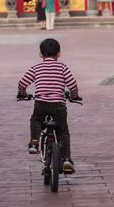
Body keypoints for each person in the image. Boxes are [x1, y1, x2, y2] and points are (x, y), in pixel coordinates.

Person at [17, 38, 80, 174]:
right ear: (59, 54)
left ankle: (34, 142)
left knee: (36, 120)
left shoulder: (36, 68)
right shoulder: (62, 67)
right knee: (63, 131)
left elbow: (22, 83)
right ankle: (66, 159)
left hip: (41, 104)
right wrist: (74, 96)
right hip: (59, 105)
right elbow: (72, 85)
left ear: (40, 54)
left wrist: (22, 93)